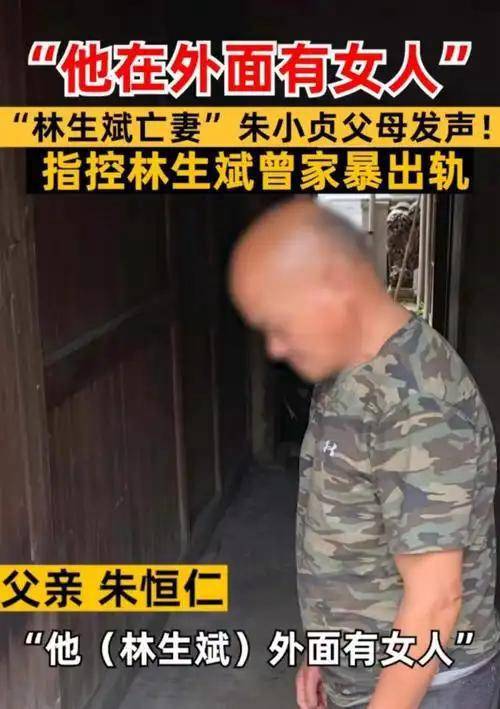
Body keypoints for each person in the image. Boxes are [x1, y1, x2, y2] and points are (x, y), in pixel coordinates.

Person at [228, 196, 500, 709]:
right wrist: (326, 648)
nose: (275, 349)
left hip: (427, 688)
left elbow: (435, 603)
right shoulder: (346, 372)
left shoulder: (418, 400)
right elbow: (348, 529)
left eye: (282, 324)